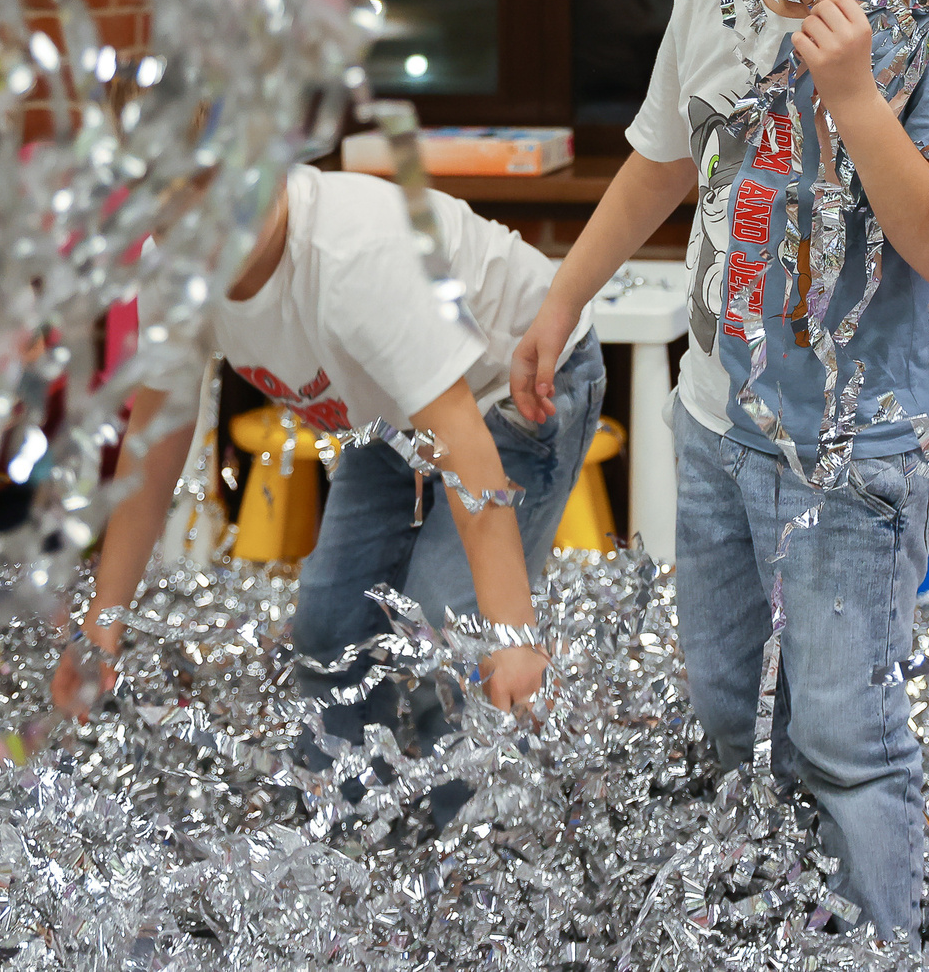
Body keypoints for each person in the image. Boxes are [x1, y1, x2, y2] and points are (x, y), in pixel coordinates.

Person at [509, 0, 929, 944]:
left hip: (855, 447)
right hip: (716, 420)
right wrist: (561, 300)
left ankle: (875, 941)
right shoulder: (704, 11)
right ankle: (773, 924)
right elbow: (657, 169)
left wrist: (853, 99)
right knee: (727, 708)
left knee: (843, 726)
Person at [53, 165, 603, 799]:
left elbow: (463, 441)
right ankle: (350, 825)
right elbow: (153, 450)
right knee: (326, 626)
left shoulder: (350, 256)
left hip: (513, 385)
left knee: (447, 635)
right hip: (391, 411)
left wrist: (512, 636)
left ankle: (476, 854)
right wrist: (104, 623)